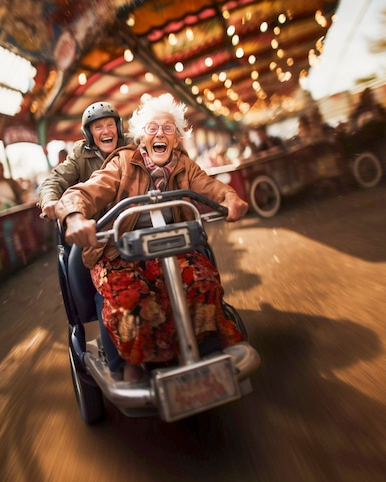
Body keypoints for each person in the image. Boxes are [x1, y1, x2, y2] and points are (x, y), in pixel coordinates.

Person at [56, 93, 249, 382]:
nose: (160, 134)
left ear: (177, 137)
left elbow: (209, 186)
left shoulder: (184, 165)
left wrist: (230, 197)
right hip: (119, 252)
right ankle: (129, 364)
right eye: (152, 128)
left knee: (202, 281)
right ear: (141, 136)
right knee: (131, 297)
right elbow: (83, 192)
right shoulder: (121, 161)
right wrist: (74, 216)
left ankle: (208, 348)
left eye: (168, 128)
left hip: (172, 246)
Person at [38, 101, 133, 222]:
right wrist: (50, 200)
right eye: (98, 127)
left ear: (118, 128)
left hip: (131, 220)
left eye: (110, 125)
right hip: (96, 226)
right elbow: (54, 180)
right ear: (88, 134)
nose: (106, 131)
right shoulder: (80, 154)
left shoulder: (132, 144)